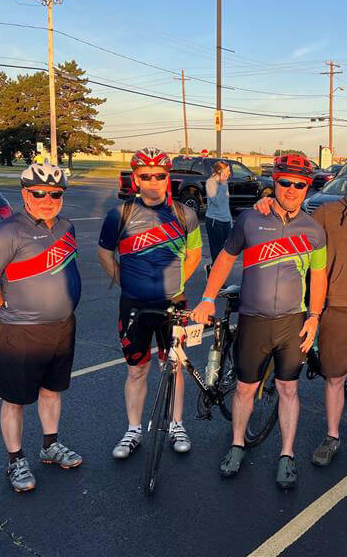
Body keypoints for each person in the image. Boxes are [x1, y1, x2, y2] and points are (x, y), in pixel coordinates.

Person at [192, 153, 327, 490]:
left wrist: (314, 316)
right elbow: (225, 259)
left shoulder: (314, 230)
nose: (292, 189)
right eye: (285, 182)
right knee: (245, 388)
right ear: (274, 182)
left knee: (288, 389)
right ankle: (237, 444)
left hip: (291, 322)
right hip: (253, 319)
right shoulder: (250, 220)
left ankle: (287, 455)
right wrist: (208, 298)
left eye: (300, 184)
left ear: (308, 187)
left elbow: (320, 277)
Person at [256, 157, 347, 466]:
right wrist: (267, 201)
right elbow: (292, 220)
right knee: (334, 378)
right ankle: (332, 435)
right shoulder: (328, 213)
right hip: (337, 308)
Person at [0, 160, 82, 492]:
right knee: (15, 399)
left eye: (55, 193)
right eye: (39, 193)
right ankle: (15, 460)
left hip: (62, 326)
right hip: (21, 331)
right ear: (25, 193)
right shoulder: (6, 232)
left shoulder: (66, 227)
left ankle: (50, 445)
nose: (47, 199)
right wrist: (7, 305)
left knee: (52, 391)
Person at [97, 148, 202, 460]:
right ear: (136, 179)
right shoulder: (120, 214)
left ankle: (177, 425)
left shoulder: (185, 214)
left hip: (174, 304)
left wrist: (177, 282)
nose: (153, 181)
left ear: (167, 178)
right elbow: (104, 253)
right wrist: (123, 279)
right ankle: (133, 430)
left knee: (174, 367)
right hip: (133, 305)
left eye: (160, 175)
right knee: (136, 370)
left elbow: (195, 252)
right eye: (146, 176)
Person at [205, 161, 232, 272]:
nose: (230, 173)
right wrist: (223, 184)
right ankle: (218, 285)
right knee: (217, 253)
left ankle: (212, 269)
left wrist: (230, 222)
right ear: (220, 171)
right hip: (214, 222)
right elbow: (217, 202)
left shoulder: (224, 183)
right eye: (228, 170)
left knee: (226, 253)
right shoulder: (211, 182)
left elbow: (225, 205)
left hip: (226, 221)